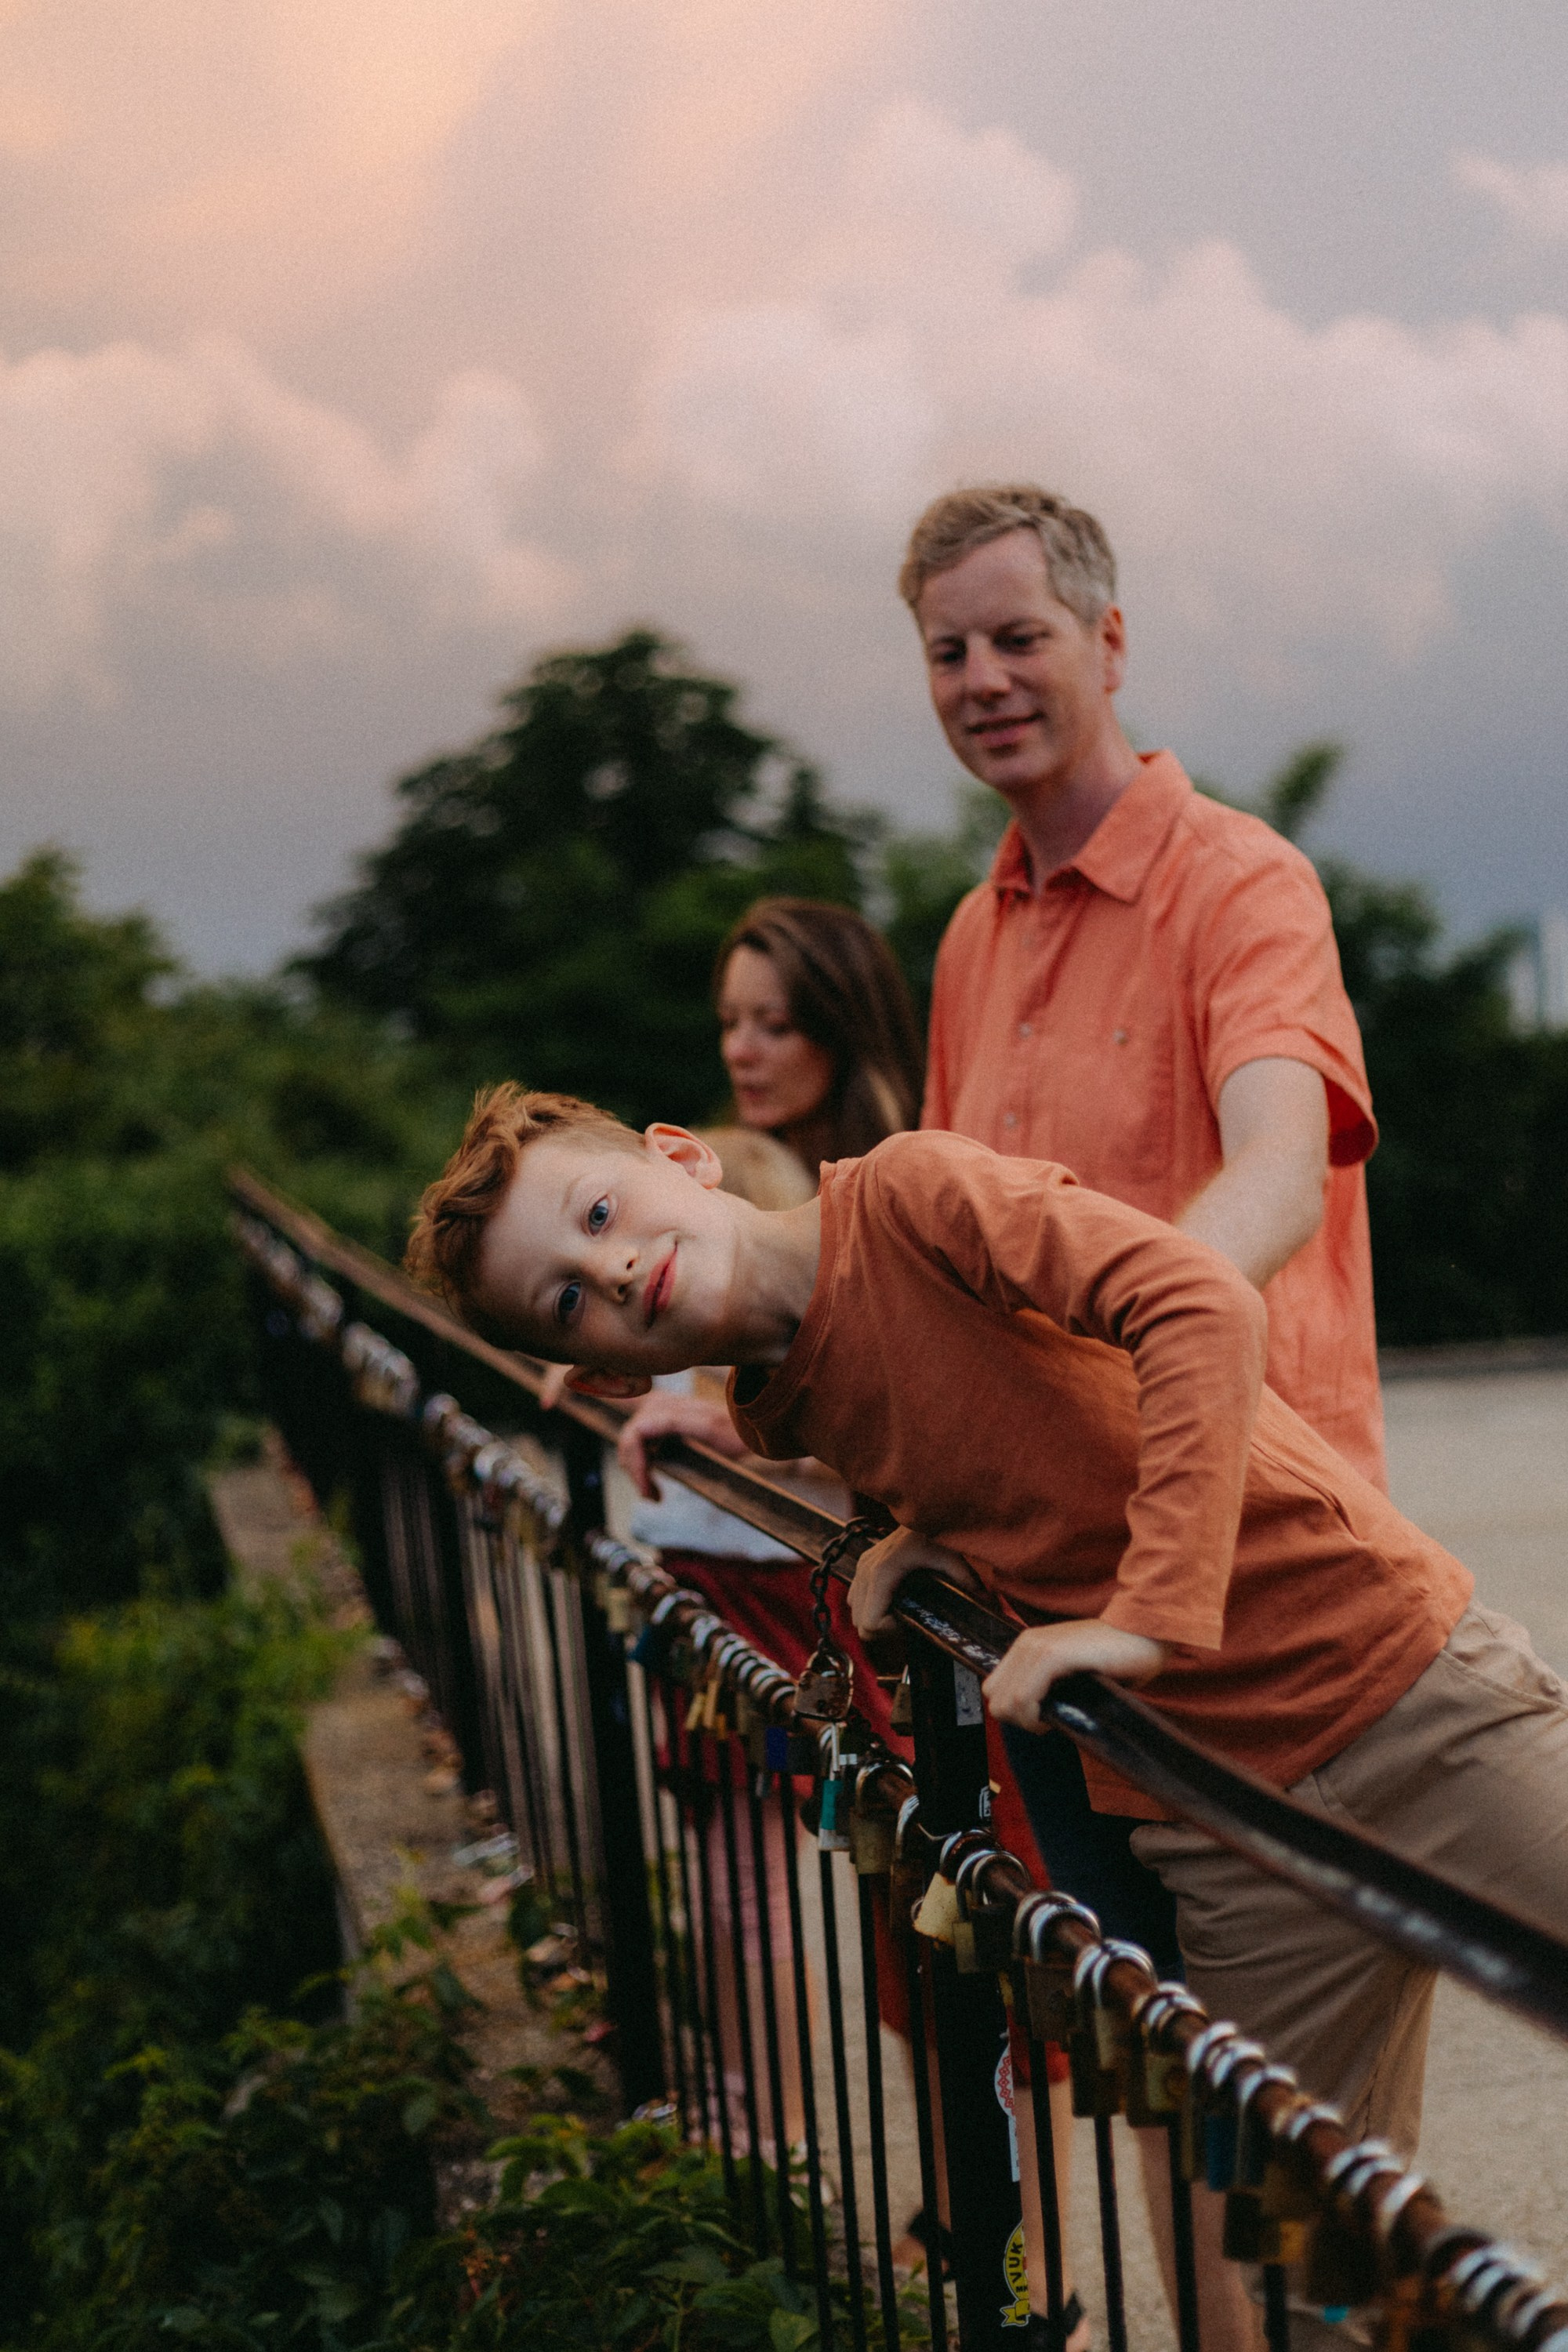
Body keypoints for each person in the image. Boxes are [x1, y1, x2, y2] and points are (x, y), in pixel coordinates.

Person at [405, 1095, 1568, 2352]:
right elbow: (1008, 1428)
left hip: (1402, 1692)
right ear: (604, 1377)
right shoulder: (770, 1407)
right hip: (1223, 1827)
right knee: (1319, 2276)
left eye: (599, 1214)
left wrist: (1146, 1617)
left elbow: (1199, 1304)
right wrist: (928, 1534)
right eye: (568, 1299)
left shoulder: (907, 1195)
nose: (616, 1268)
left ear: (677, 1158)